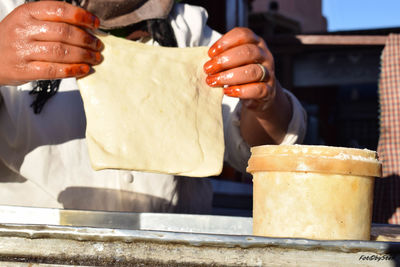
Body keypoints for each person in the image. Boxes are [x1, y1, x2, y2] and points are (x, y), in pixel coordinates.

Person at [0, 0, 306, 213]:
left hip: (173, 248)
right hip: (37, 252)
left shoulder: (190, 29)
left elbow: (254, 153)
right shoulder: (10, 17)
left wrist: (265, 101)